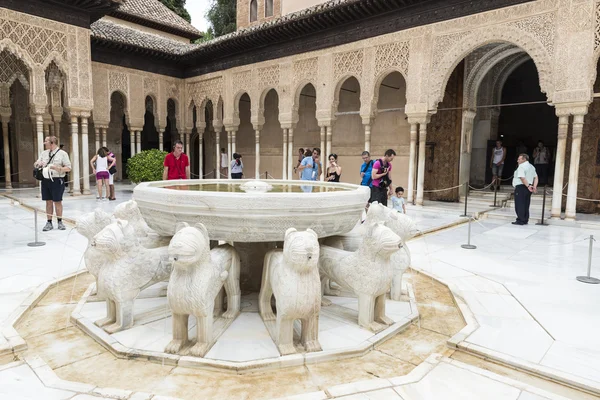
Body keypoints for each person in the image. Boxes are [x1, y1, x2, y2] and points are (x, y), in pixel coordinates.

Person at [34, 136, 71, 231]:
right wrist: (38, 164)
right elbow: (36, 163)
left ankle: (60, 222)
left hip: (57, 180)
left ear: (52, 143)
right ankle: (49, 222)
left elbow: (68, 168)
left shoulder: (63, 154)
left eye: (46, 141)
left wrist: (57, 168)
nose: (44, 143)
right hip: (45, 180)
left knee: (57, 201)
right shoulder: (44, 153)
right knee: (48, 201)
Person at [512, 153, 538, 225]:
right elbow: (536, 177)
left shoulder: (521, 167)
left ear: (524, 159)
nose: (517, 160)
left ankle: (520, 220)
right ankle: (525, 219)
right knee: (526, 204)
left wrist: (528, 186)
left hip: (521, 187)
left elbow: (522, 178)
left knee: (519, 204)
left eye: (519, 159)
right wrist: (534, 186)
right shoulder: (532, 167)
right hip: (528, 187)